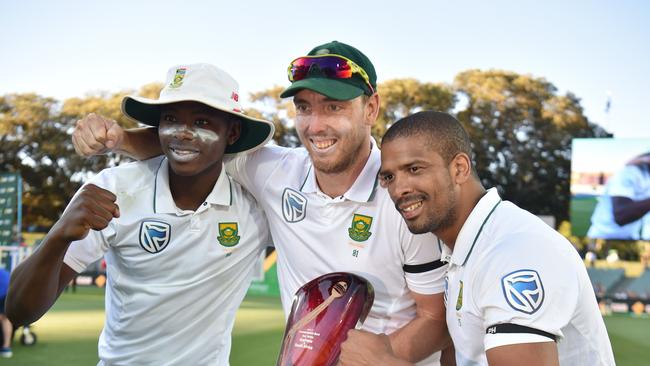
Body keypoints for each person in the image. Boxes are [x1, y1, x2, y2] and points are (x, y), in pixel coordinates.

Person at [71, 41, 450, 365]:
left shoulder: (407, 197)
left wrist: (380, 354)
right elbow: (194, 140)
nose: (315, 125)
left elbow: (436, 318)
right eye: (304, 107)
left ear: (371, 109)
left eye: (334, 107)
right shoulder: (274, 171)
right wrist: (119, 139)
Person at [6, 63, 274, 365]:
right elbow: (19, 310)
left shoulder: (256, 204)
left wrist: (121, 139)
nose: (182, 133)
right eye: (170, 119)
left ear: (233, 131)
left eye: (201, 121)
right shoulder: (114, 188)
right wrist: (59, 234)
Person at [340, 111, 616, 365]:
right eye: (389, 176)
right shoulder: (465, 247)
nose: (399, 189)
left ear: (459, 168)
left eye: (415, 169)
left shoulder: (514, 251)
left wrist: (381, 361)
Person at [587, 152, 650, 240]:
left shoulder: (646, 176)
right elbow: (621, 215)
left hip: (631, 237)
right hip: (603, 236)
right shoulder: (629, 172)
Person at [0, 268, 12, 358]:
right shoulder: (4, 272)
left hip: (4, 293)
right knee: (5, 319)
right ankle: (6, 347)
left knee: (4, 319)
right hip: (10, 293)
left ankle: (6, 347)